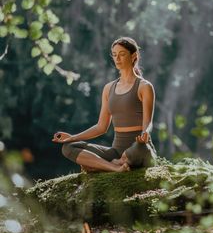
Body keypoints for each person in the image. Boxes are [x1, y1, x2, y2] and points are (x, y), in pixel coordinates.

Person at [52, 37, 157, 172]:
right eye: (114, 55)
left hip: (139, 149)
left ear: (134, 56)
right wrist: (72, 137)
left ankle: (103, 165)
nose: (117, 58)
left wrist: (145, 133)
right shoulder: (108, 88)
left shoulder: (144, 86)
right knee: (68, 147)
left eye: (122, 54)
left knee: (136, 151)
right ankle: (114, 167)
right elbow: (101, 127)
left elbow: (148, 123)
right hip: (115, 151)